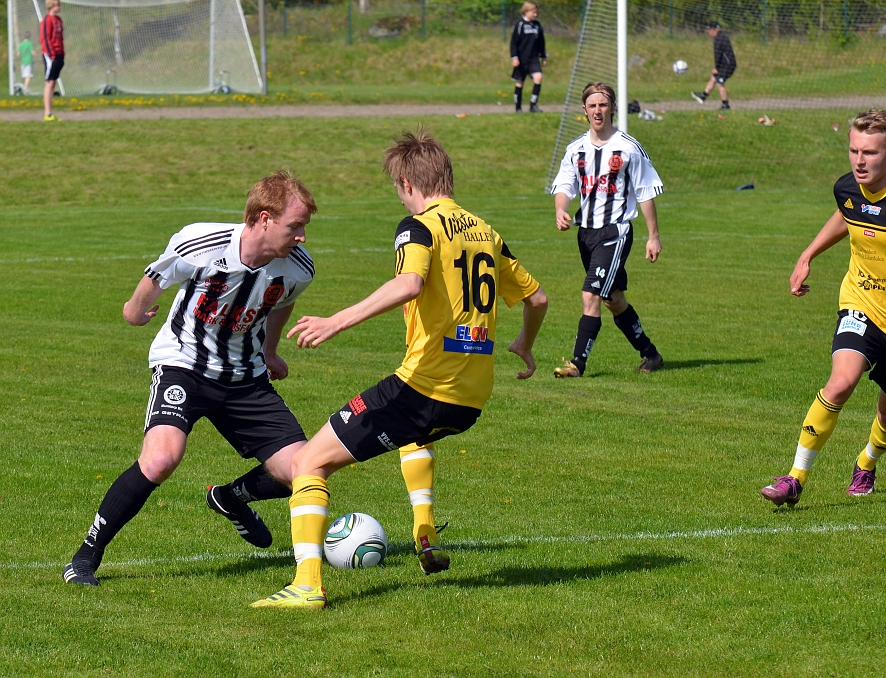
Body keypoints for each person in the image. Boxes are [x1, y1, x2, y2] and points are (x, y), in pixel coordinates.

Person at [251, 130, 548, 609]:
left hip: (422, 388)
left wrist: (337, 320)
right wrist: (524, 345)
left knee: (309, 461)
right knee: (416, 433)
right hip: (470, 398)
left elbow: (409, 283)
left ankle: (306, 585)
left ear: (407, 183)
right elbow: (537, 297)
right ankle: (424, 532)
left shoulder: (419, 228)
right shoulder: (487, 233)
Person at [62, 171, 318, 586]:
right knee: (161, 459)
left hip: (245, 379)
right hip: (184, 364)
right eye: (295, 225)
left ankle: (232, 498)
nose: (302, 236)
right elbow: (157, 275)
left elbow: (282, 302)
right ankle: (85, 557)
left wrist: (270, 352)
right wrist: (133, 310)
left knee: (306, 469)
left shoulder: (298, 268)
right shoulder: (202, 242)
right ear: (265, 218)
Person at [762, 109, 886, 506]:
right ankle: (794, 477)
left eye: (870, 153)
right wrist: (808, 255)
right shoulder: (847, 188)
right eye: (854, 150)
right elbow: (847, 214)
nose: (859, 161)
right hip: (861, 303)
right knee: (840, 382)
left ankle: (867, 460)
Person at [551, 82, 664, 378]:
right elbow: (564, 185)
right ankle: (650, 354)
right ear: (584, 110)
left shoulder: (628, 147)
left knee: (591, 295)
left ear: (612, 108)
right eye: (592, 105)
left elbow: (645, 192)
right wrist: (560, 209)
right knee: (613, 299)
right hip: (585, 234)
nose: (598, 110)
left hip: (615, 232)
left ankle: (577, 363)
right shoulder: (576, 149)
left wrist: (653, 237)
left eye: (603, 104)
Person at [510, 1, 547, 114]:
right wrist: (514, 57)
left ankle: (533, 105)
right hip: (522, 60)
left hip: (533, 59)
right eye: (533, 12)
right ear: (526, 11)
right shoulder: (520, 25)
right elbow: (513, 43)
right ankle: (518, 108)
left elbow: (541, 42)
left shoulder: (537, 25)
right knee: (520, 82)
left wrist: (543, 56)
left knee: (538, 77)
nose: (535, 15)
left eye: (536, 13)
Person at [691, 21, 736, 111]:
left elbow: (718, 55)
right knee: (713, 78)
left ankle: (725, 105)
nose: (708, 33)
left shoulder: (718, 39)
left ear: (713, 30)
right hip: (727, 64)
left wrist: (716, 67)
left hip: (727, 66)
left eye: (709, 30)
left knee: (720, 83)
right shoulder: (723, 36)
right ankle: (703, 96)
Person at [39, 0, 64, 121]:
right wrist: (52, 55)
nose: (60, 7)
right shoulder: (47, 20)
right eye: (58, 5)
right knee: (49, 82)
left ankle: (50, 112)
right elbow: (45, 39)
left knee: (53, 82)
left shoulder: (58, 20)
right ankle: (47, 113)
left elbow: (60, 38)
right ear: (51, 6)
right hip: (50, 55)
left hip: (59, 54)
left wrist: (61, 53)